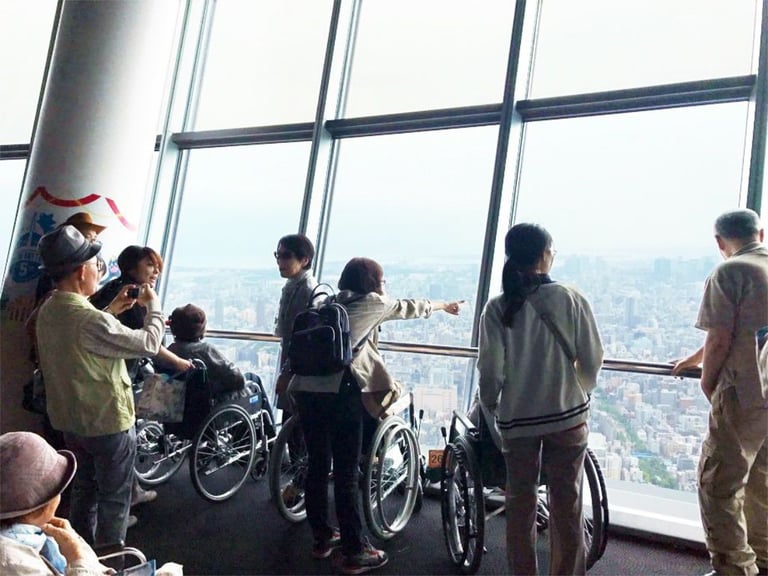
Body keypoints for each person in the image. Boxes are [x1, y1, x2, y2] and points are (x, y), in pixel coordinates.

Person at [289, 256, 462, 575]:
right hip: (339, 393)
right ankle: (355, 549)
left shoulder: (328, 302)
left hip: (305, 390)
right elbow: (409, 306)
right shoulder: (372, 302)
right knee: (345, 471)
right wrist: (443, 305)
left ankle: (323, 538)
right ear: (373, 283)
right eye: (382, 281)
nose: (384, 287)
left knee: (316, 464)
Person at [477, 223, 604, 576]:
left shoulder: (497, 307)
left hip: (518, 423)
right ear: (545, 255)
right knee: (568, 504)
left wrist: (491, 403)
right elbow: (593, 358)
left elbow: (491, 372)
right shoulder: (571, 297)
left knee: (521, 504)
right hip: (568, 417)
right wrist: (578, 389)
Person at [35, 225, 166, 547]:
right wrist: (154, 306)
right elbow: (149, 343)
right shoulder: (91, 319)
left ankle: (78, 551)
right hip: (106, 422)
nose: (99, 270)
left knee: (84, 489)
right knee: (115, 498)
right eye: (96, 265)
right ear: (82, 271)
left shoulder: (50, 309)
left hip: (70, 421)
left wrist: (111, 311)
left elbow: (84, 340)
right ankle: (111, 559)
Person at [672, 209, 768, 576]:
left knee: (718, 485)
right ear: (760, 232)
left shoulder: (731, 271)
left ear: (719, 242)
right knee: (761, 483)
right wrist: (693, 357)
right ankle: (762, 558)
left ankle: (735, 568)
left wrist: (706, 381)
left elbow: (720, 337)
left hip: (743, 393)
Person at [89, 245, 192, 511]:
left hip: (102, 374)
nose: (156, 270)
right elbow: (148, 344)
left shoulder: (112, 288)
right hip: (117, 375)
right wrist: (180, 363)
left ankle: (130, 490)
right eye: (150, 265)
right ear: (132, 268)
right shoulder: (133, 297)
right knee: (124, 439)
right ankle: (119, 511)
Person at [0, 431, 183, 576]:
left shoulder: (28, 536)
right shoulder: (13, 563)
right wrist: (77, 557)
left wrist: (78, 547)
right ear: (46, 503)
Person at [274, 234, 318, 411]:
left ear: (304, 260)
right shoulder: (294, 285)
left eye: (286, 256)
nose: (279, 262)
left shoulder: (305, 290)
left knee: (294, 414)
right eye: (277, 255)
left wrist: (286, 373)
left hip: (298, 365)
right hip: (294, 362)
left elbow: (299, 337)